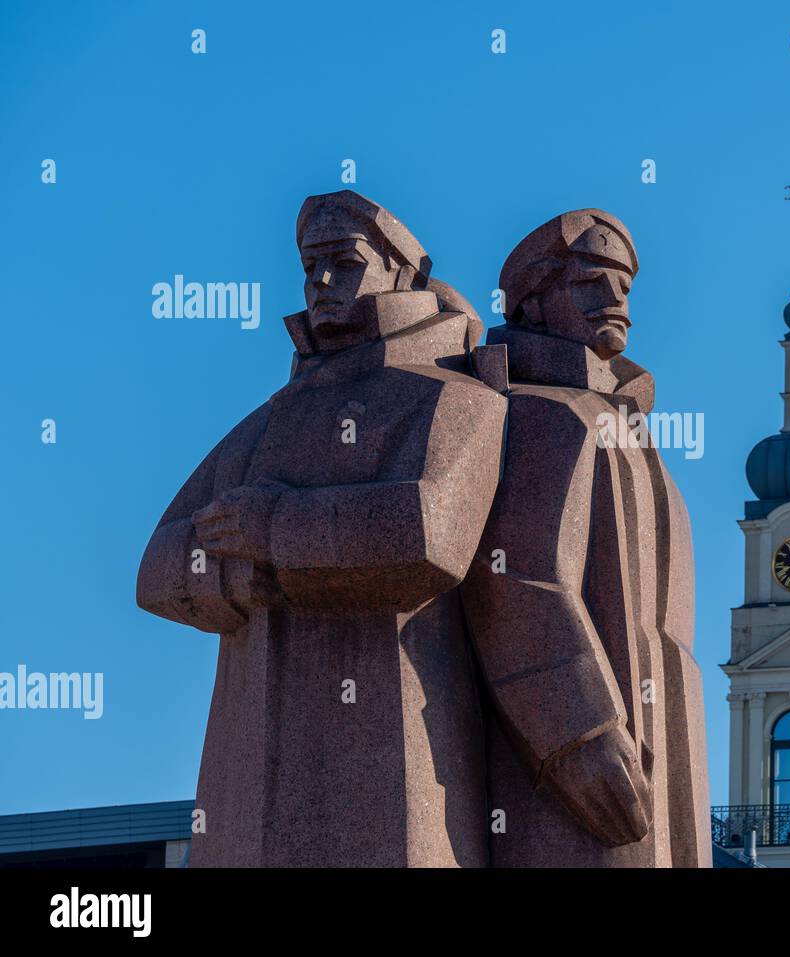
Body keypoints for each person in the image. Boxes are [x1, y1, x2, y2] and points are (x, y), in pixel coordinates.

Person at [137, 190, 505, 866]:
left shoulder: (456, 400)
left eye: (345, 262)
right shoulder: (268, 420)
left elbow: (428, 535)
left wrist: (276, 528)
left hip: (399, 764)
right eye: (310, 267)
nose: (322, 283)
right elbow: (157, 564)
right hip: (249, 783)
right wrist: (250, 565)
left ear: (406, 273)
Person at [461, 209, 711, 866]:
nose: (617, 301)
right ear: (536, 302)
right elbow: (516, 578)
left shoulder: (631, 430)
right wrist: (583, 735)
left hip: (660, 777)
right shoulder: (544, 414)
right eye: (594, 282)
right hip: (588, 785)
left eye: (625, 286)